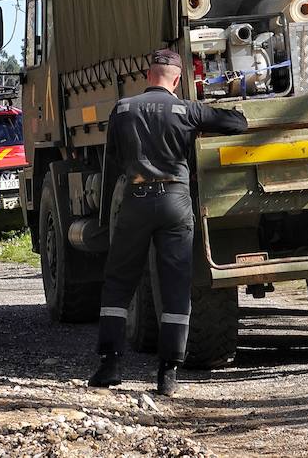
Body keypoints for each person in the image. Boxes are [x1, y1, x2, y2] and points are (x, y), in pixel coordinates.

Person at [87, 48, 248, 397]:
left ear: (148, 76)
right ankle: (168, 374)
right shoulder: (186, 110)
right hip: (175, 201)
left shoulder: (123, 109)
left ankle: (110, 365)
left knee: (118, 283)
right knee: (176, 285)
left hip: (135, 201)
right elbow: (237, 123)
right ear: (176, 80)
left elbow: (112, 158)